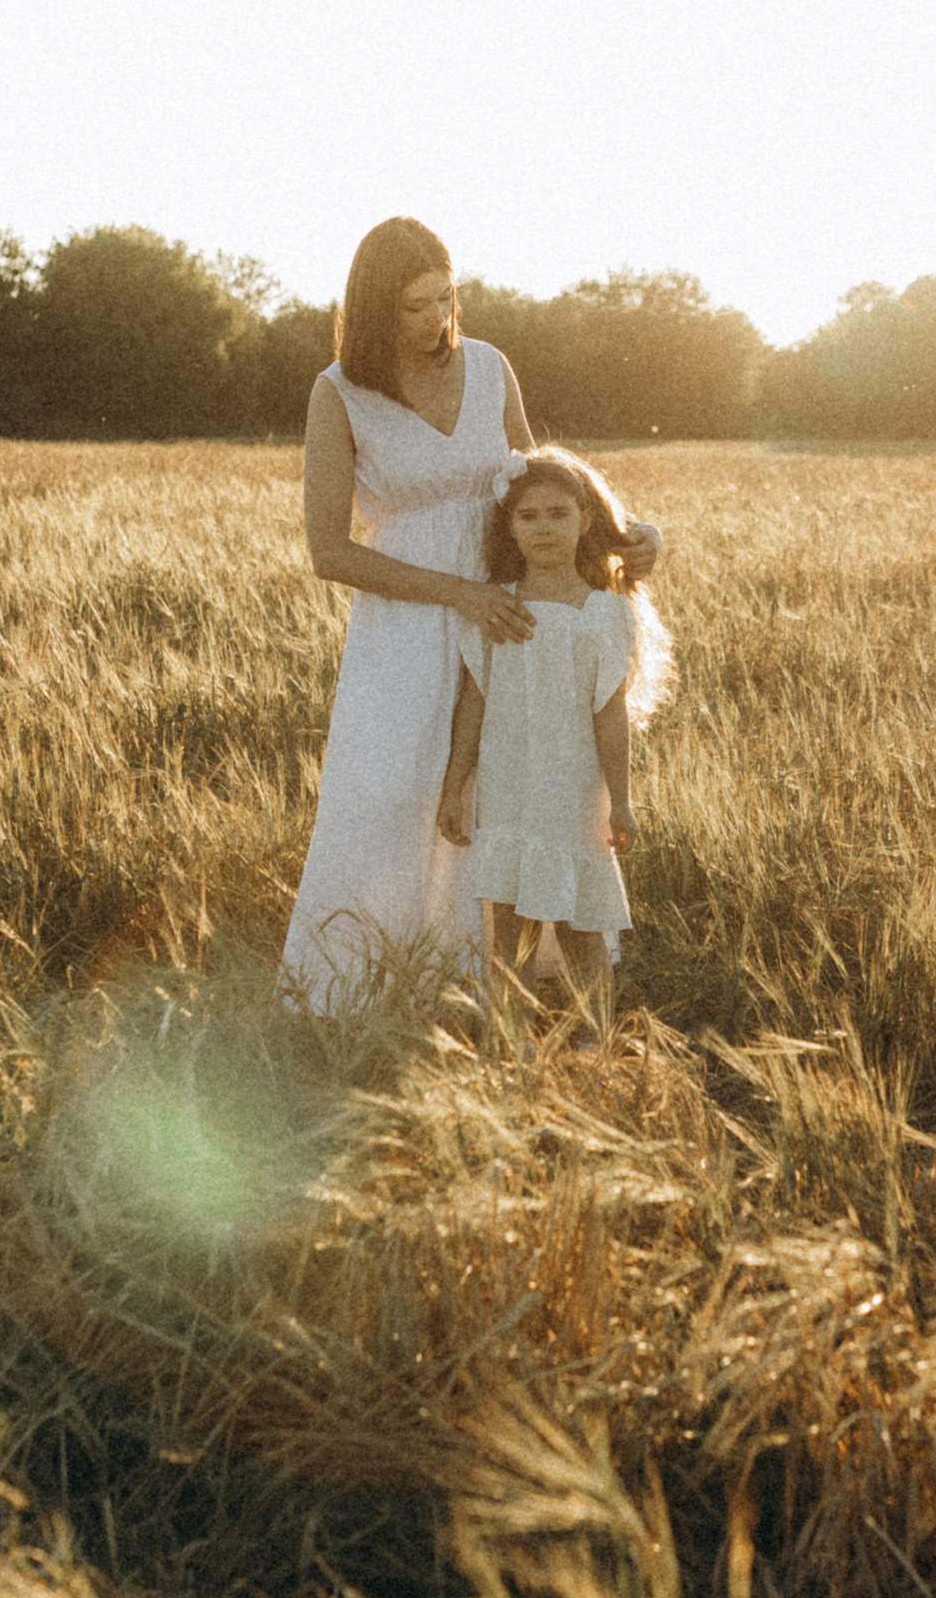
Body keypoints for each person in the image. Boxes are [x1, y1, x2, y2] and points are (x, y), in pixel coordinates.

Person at [281, 218, 658, 1013]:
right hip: (409, 626)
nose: (437, 321)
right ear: (374, 309)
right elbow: (327, 550)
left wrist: (623, 536)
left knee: (510, 782)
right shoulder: (338, 393)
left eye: (445, 299)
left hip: (511, 614)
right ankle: (373, 978)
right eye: (413, 308)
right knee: (397, 792)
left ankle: (492, 983)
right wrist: (458, 595)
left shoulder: (489, 367)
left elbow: (543, 481)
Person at [435, 448, 674, 1037]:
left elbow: (610, 717)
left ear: (585, 520)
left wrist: (620, 801)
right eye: (528, 517)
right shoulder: (495, 608)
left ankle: (596, 1045)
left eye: (558, 514)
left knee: (581, 926)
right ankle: (508, 1045)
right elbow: (473, 704)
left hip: (572, 787)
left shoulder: (603, 614)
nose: (543, 528)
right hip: (507, 784)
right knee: (507, 925)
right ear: (509, 528)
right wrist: (454, 786)